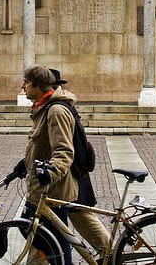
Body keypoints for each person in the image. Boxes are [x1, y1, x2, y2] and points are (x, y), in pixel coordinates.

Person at [18, 65, 78, 265]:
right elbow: (41, 144)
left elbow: (64, 151)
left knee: (57, 243)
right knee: (36, 231)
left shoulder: (55, 111)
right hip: (41, 187)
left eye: (26, 82)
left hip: (53, 190)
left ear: (38, 85)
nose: (22, 86)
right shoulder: (43, 108)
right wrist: (24, 164)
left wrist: (51, 172)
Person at [50, 69, 110, 257]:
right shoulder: (60, 105)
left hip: (71, 174)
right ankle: (111, 254)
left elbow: (64, 148)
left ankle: (112, 255)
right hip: (69, 173)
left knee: (81, 217)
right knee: (76, 218)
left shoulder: (58, 108)